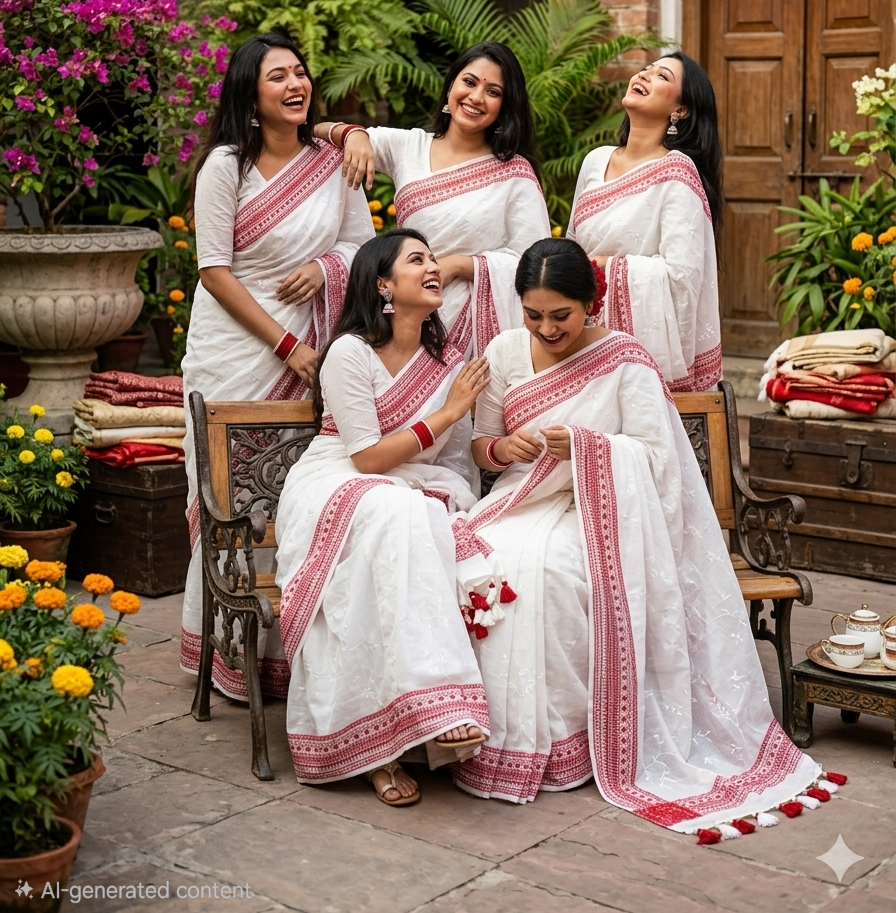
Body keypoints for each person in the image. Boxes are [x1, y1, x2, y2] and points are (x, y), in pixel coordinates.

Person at [453, 238, 821, 832]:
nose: (546, 328)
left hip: (604, 513)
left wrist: (583, 447)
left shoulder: (624, 359)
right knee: (483, 561)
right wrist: (501, 448)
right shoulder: (502, 351)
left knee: (548, 572)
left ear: (590, 303)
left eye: (561, 315)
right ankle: (490, 739)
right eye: (533, 315)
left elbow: (656, 458)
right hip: (520, 499)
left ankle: (566, 738)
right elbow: (483, 445)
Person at [179, 32, 374, 700]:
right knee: (232, 497)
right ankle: (229, 656)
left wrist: (326, 269)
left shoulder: (333, 161)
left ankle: (290, 657)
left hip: (315, 336)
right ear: (249, 94)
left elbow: (361, 246)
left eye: (300, 73)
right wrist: (289, 348)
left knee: (296, 493)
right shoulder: (225, 168)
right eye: (277, 77)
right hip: (237, 347)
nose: (296, 85)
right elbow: (213, 270)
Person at [274, 229, 497, 806]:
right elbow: (367, 456)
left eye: (432, 260)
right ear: (382, 284)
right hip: (335, 484)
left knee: (414, 522)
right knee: (399, 511)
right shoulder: (349, 353)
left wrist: (445, 490)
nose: (433, 268)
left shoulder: (445, 363)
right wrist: (448, 412)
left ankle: (400, 738)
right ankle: (424, 712)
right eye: (416, 260)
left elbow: (451, 463)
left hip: (405, 493)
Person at [320, 42, 552, 357]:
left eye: (493, 91)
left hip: (475, 335)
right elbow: (315, 132)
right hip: (407, 317)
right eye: (469, 82)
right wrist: (353, 134)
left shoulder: (514, 173)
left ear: (504, 106)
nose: (476, 97)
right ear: (450, 87)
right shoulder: (408, 146)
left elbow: (534, 263)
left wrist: (459, 265)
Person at [568, 52, 722, 391]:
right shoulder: (595, 161)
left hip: (637, 353)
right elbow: (573, 245)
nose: (645, 75)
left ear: (680, 110)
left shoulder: (677, 171)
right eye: (646, 69)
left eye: (662, 76)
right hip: (578, 337)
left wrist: (602, 266)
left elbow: (681, 278)